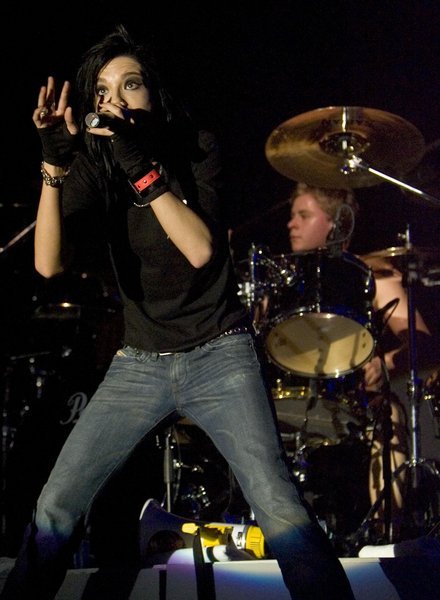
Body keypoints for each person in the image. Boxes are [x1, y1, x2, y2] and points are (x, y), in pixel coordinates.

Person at [0, 26, 355, 600]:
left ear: (152, 94)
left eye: (130, 84)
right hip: (139, 364)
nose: (115, 98)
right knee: (57, 504)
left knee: (278, 505)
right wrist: (53, 167)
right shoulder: (98, 165)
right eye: (103, 90)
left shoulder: (195, 148)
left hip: (220, 354)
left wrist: (137, 163)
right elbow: (47, 264)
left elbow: (199, 249)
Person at [266, 182, 434, 543]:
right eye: (292, 215)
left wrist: (385, 364)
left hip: (355, 405)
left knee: (390, 416)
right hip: (284, 401)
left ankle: (386, 537)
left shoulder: (369, 274)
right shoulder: (279, 283)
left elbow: (422, 341)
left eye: (304, 215)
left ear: (335, 224)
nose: (291, 224)